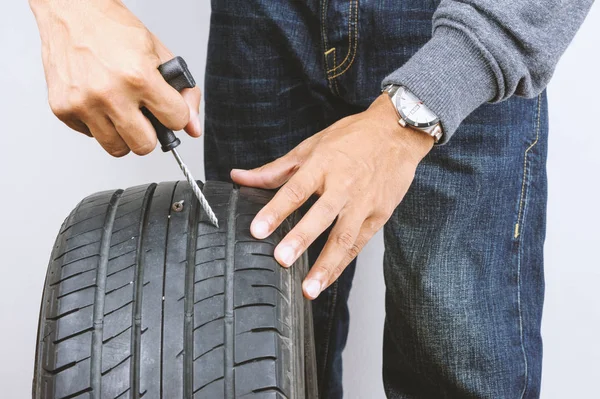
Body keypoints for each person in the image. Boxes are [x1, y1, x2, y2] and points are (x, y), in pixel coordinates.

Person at [29, 0, 593, 397]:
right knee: (237, 360)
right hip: (258, 18)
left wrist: (426, 101)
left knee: (458, 370)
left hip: (461, 21)